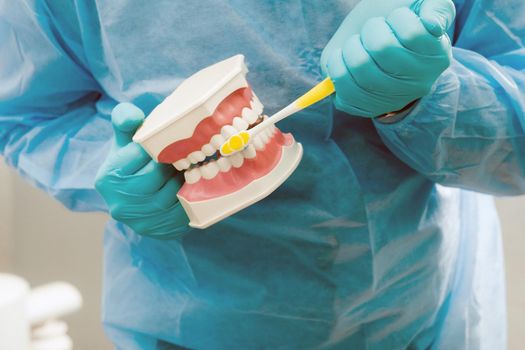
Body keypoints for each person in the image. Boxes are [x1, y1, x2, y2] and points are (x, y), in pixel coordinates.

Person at [0, 0, 523, 348]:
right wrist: (106, 168)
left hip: (425, 318)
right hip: (191, 326)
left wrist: (428, 95)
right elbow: (27, 115)